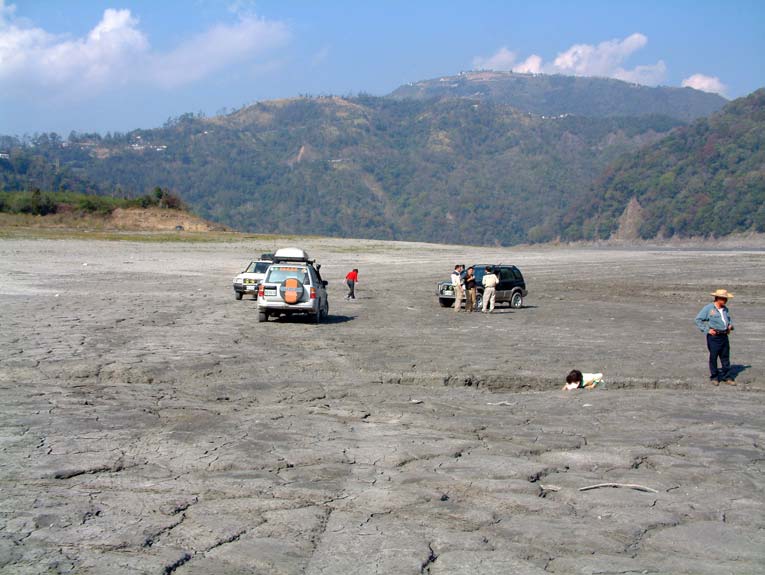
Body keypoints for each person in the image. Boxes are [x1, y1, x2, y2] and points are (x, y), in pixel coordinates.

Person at [695, 289, 735, 385]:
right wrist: (707, 330)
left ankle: (727, 377)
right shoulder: (709, 308)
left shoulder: (725, 309)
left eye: (726, 299)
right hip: (714, 337)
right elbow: (698, 319)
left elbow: (728, 320)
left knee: (725, 357)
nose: (725, 300)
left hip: (724, 336)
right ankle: (714, 377)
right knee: (713, 357)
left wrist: (730, 326)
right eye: (723, 298)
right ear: (717, 298)